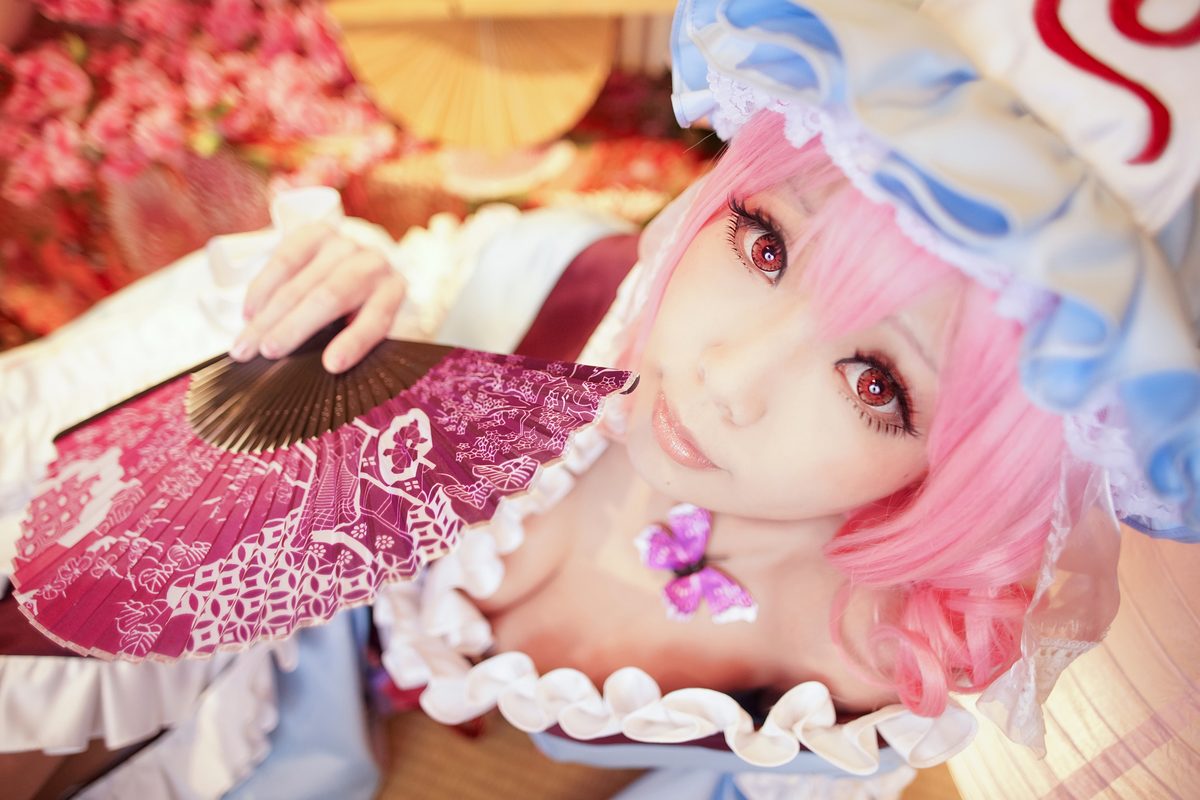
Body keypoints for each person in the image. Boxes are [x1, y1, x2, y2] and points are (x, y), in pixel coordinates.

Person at [227, 1, 1200, 796]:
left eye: (876, 382)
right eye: (765, 244)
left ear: (985, 458)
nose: (725, 378)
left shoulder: (846, 686)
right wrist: (343, 309)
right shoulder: (537, 296)